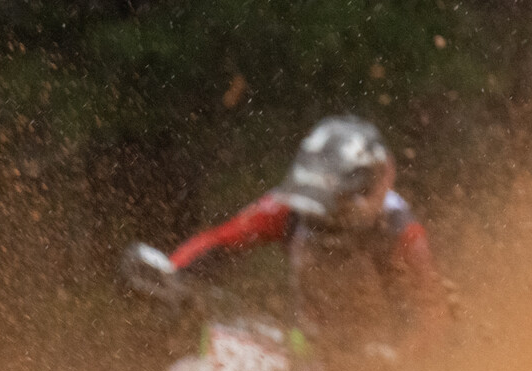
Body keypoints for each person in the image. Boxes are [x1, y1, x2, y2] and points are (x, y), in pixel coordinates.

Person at [158, 115, 448, 356]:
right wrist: (169, 275)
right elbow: (219, 241)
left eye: (339, 205)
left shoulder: (400, 230)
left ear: (377, 186)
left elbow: (435, 315)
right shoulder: (289, 207)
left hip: (374, 364)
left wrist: (400, 356)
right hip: (306, 350)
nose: (325, 220)